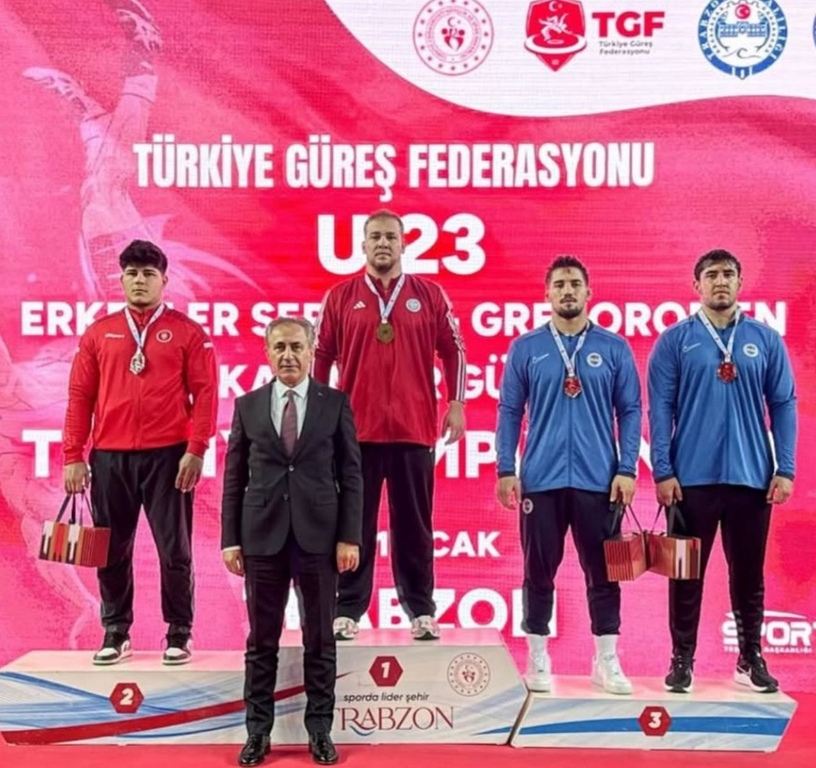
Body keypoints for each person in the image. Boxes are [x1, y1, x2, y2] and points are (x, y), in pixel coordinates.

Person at [647, 248, 796, 694]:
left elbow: (783, 405)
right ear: (697, 285)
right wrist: (662, 471)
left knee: (748, 575)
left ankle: (750, 658)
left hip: (752, 479)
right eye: (711, 274)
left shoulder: (765, 340)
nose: (720, 281)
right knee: (685, 573)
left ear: (740, 282)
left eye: (728, 274)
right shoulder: (674, 341)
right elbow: (661, 410)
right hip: (690, 480)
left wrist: (785, 468)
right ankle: (682, 659)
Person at [313, 209, 466, 641]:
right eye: (375, 237)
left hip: (414, 430)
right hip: (354, 433)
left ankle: (421, 609)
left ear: (403, 244)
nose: (383, 243)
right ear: (363, 245)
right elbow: (321, 355)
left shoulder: (429, 294)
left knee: (414, 525)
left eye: (391, 237)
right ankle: (347, 609)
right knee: (353, 524)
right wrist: (320, 412)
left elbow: (454, 350)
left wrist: (456, 403)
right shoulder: (340, 296)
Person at [63, 239, 217, 665]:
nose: (139, 281)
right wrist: (73, 455)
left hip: (169, 457)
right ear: (121, 279)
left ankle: (179, 632)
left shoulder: (188, 332)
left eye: (148, 274)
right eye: (131, 273)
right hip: (109, 458)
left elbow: (206, 394)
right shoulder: (99, 333)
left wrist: (196, 448)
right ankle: (115, 631)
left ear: (164, 280)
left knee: (175, 551)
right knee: (110, 549)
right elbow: (79, 396)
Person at [495, 255, 641, 695]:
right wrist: (506, 468)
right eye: (559, 284)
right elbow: (509, 410)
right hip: (541, 480)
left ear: (589, 292)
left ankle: (606, 659)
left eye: (575, 283)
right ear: (547, 294)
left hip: (600, 481)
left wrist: (627, 468)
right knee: (538, 571)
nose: (567, 291)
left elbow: (630, 411)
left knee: (605, 573)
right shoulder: (527, 348)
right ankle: (537, 656)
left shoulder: (614, 347)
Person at [221, 317, 362, 767]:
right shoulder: (247, 406)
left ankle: (320, 731)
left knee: (320, 640)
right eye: (279, 347)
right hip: (261, 539)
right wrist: (230, 540)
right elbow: (233, 478)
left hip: (320, 539)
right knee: (262, 641)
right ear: (267, 352)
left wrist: (349, 537)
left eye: (296, 347)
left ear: (311, 350)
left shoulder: (334, 404)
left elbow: (351, 476)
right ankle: (257, 734)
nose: (288, 355)